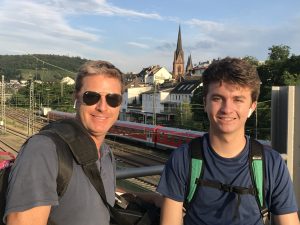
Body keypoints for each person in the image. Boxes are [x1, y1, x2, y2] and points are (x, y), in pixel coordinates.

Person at [157, 57, 299, 225]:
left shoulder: (272, 164)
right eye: (217, 98)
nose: (227, 109)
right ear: (205, 103)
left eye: (238, 99)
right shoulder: (182, 159)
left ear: (252, 107)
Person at [4, 60, 124, 225]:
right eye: (91, 97)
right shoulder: (44, 149)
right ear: (76, 98)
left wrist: (151, 198)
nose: (102, 107)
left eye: (112, 99)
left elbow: (90, 192)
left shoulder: (106, 154)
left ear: (120, 105)